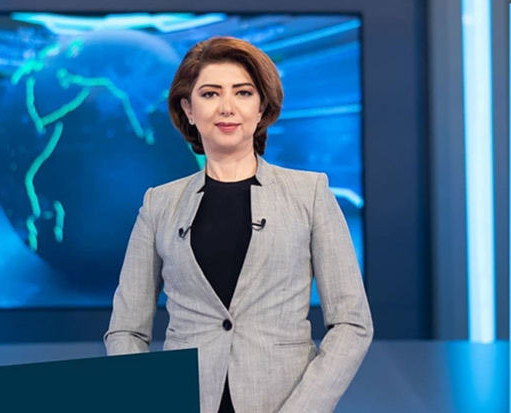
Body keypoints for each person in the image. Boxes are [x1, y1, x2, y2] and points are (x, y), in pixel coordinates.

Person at [104, 36, 373, 413]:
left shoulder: (310, 194)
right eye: (210, 94)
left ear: (262, 107)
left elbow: (352, 324)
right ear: (188, 109)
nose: (227, 107)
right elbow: (126, 330)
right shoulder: (158, 204)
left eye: (243, 93)